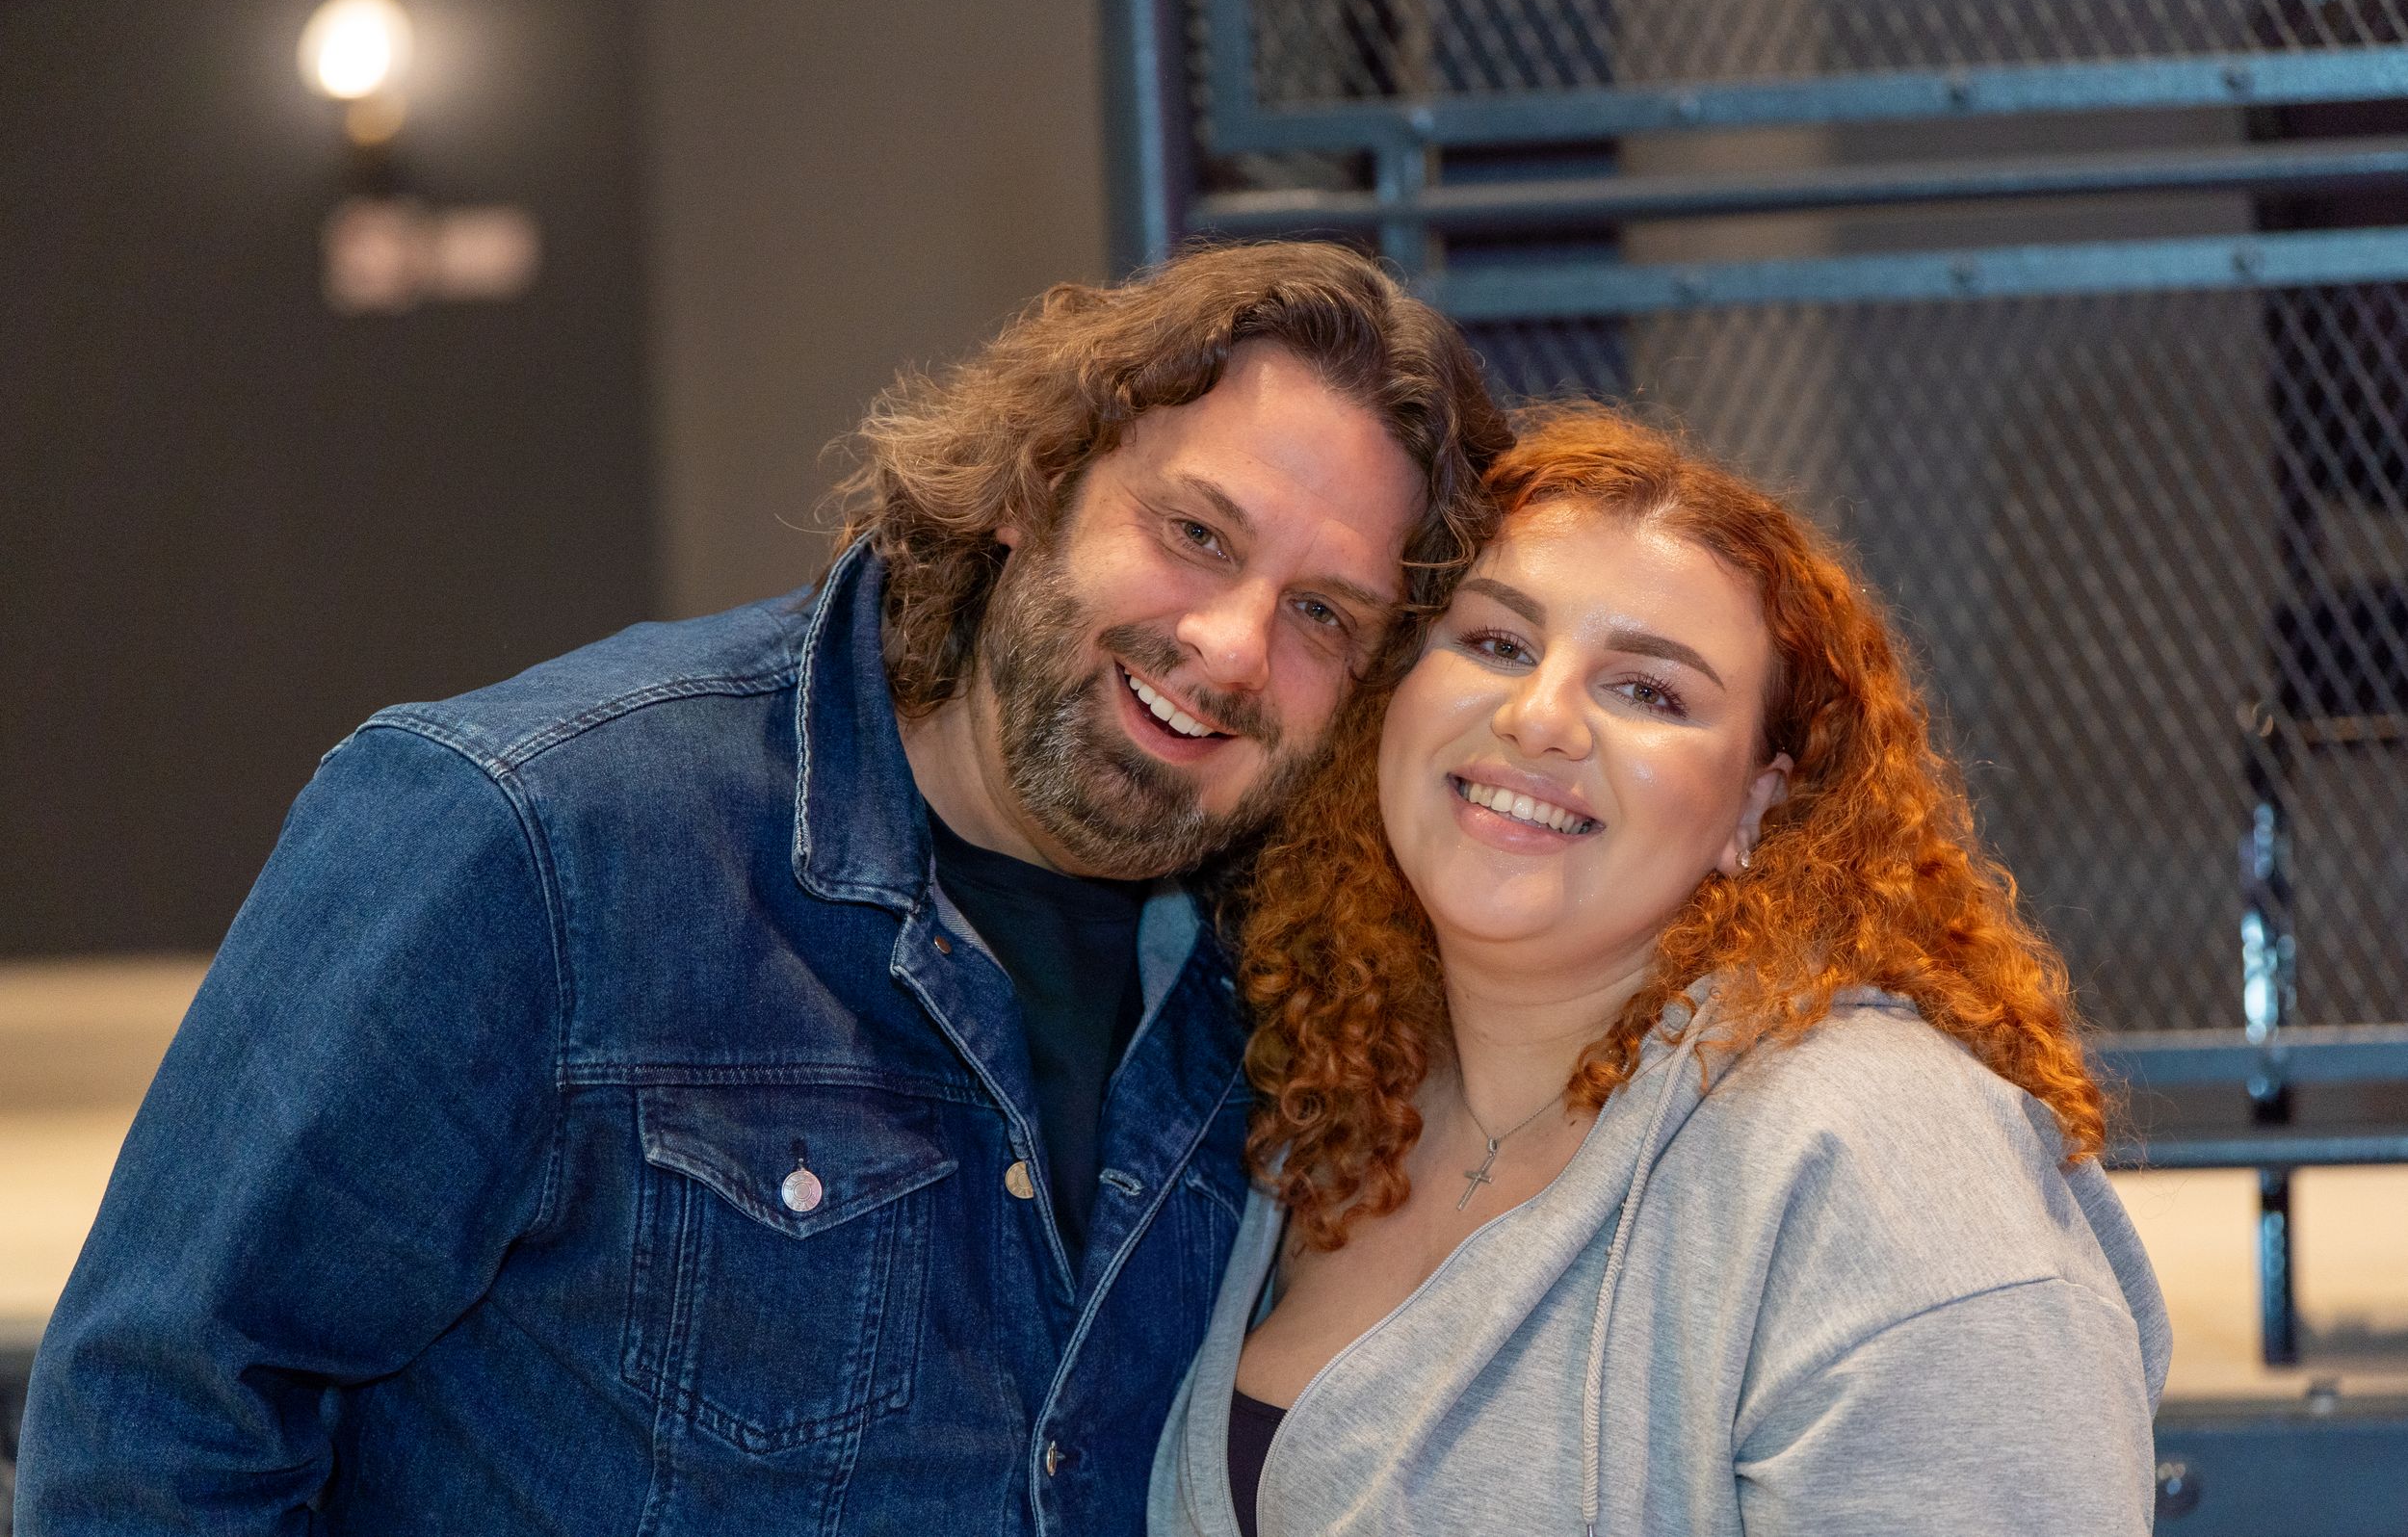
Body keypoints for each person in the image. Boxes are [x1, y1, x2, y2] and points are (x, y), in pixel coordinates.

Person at [15, 242, 1511, 1533]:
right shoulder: (535, 835)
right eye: (1194, 534)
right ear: (1034, 488)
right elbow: (158, 1424)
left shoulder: (1287, 986)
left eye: (1323, 614)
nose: (1235, 646)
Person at [1150, 405, 2170, 1537]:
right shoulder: (1314, 1101)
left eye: (1647, 690)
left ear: (1755, 805)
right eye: (1496, 642)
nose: (1539, 716)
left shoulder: (1873, 1157)